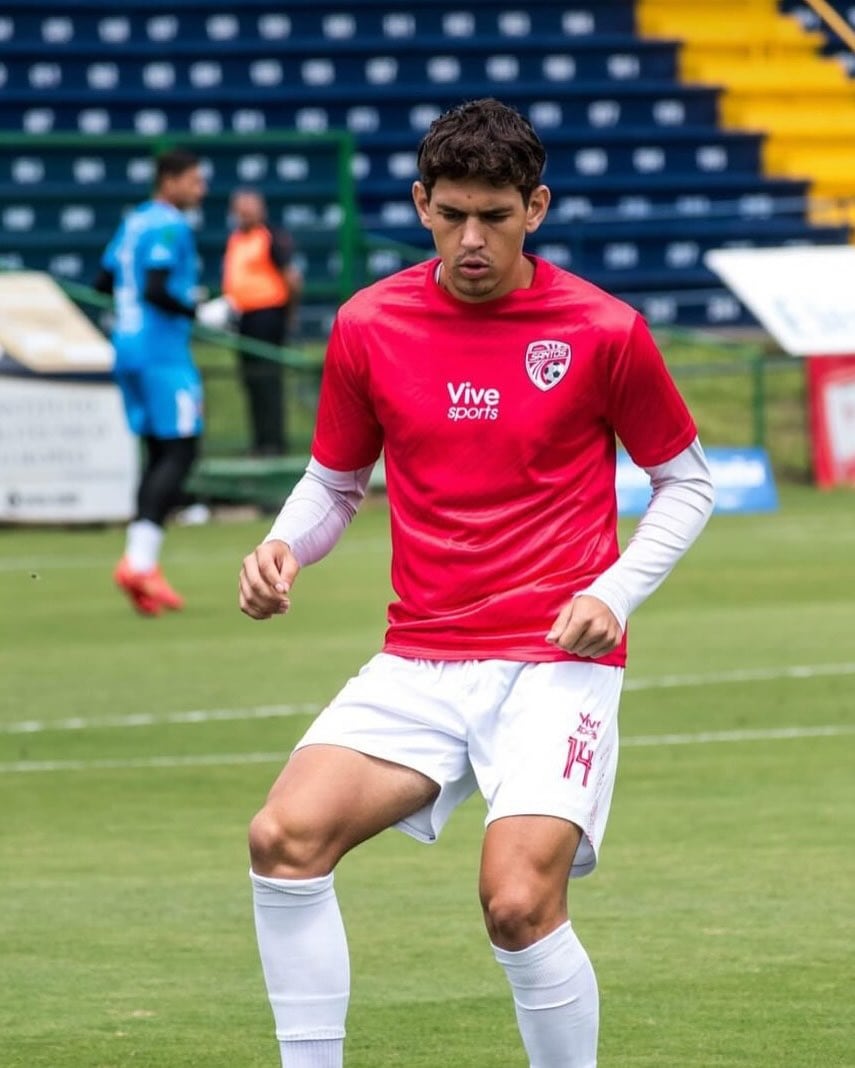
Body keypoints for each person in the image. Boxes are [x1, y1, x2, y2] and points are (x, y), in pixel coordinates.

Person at [238, 98, 715, 1068]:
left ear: (534, 208)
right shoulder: (370, 325)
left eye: (494, 216)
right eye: (451, 213)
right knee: (283, 837)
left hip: (557, 660)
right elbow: (335, 485)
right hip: (422, 657)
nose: (470, 238)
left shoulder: (603, 330)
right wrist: (288, 545)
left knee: (516, 902)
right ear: (420, 205)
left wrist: (613, 592)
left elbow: (686, 482)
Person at [95, 148, 208, 616]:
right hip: (162, 353)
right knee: (182, 449)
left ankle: (143, 564)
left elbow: (103, 282)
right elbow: (156, 288)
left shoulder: (133, 221)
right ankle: (139, 563)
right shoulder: (167, 224)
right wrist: (201, 311)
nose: (200, 190)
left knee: (158, 451)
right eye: (194, 181)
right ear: (171, 181)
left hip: (126, 347)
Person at [222, 189, 303, 456]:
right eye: (240, 208)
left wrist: (288, 316)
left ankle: (274, 443)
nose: (244, 213)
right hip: (243, 318)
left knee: (269, 381)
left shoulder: (270, 238)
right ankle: (259, 442)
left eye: (249, 208)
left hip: (267, 316)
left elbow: (292, 279)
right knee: (251, 381)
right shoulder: (235, 239)